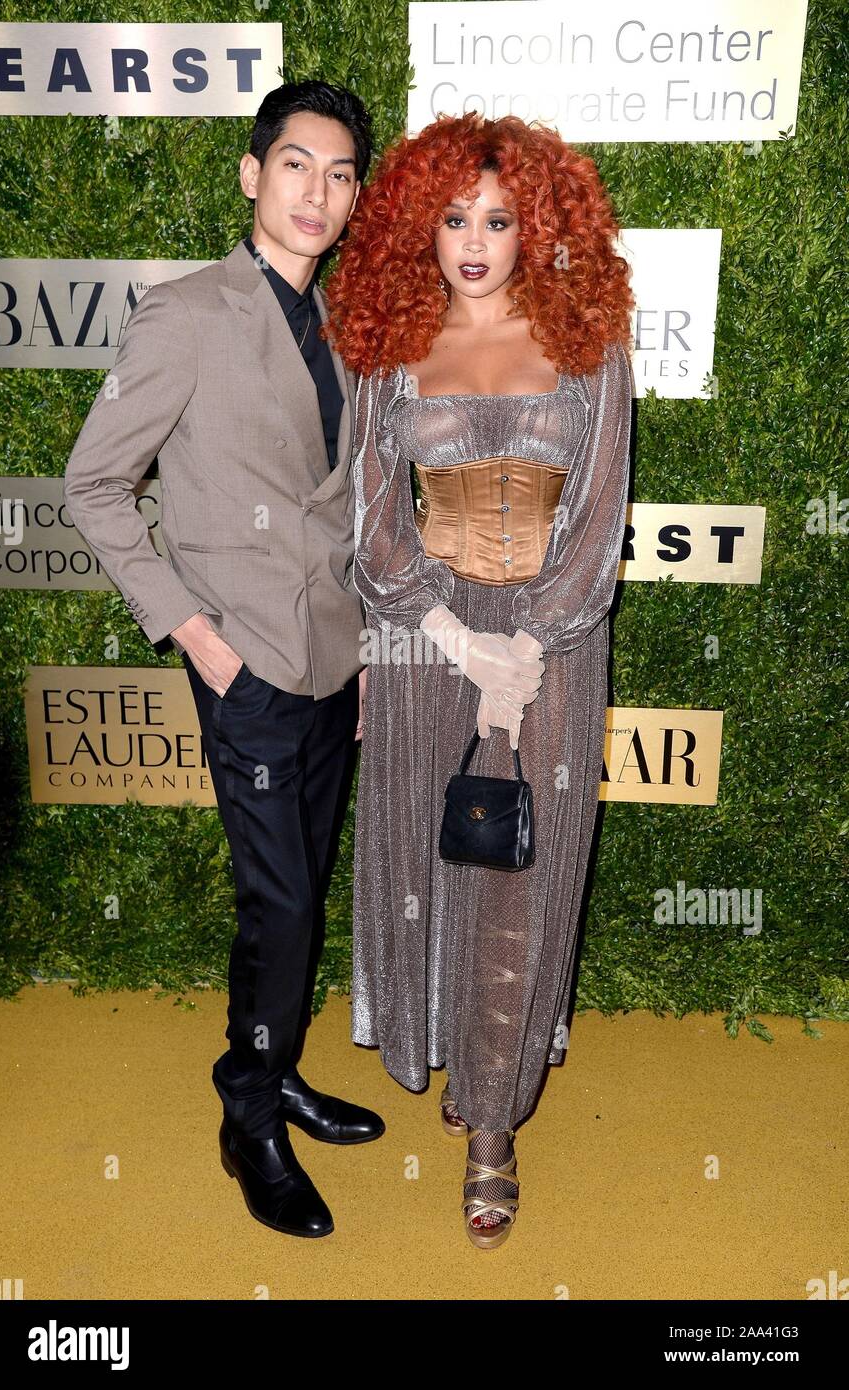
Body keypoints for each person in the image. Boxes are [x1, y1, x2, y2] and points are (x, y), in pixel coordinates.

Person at [64, 80, 385, 1241]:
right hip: (243, 667)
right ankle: (247, 1113)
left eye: (340, 173)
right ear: (253, 175)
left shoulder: (346, 328)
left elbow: (340, 510)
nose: (318, 191)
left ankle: (278, 1066)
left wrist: (360, 659)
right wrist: (194, 636)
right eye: (297, 164)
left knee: (298, 892)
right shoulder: (187, 313)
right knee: (282, 903)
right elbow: (94, 484)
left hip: (331, 669)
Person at [325, 111, 634, 1248]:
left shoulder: (593, 343)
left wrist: (525, 650)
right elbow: (372, 525)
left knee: (517, 871)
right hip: (423, 644)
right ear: (420, 223)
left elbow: (600, 524)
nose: (472, 241)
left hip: (552, 644)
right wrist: (455, 642)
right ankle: (457, 1048)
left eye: (497, 220)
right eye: (452, 217)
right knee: (430, 849)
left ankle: (493, 1127)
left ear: (535, 228)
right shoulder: (388, 347)